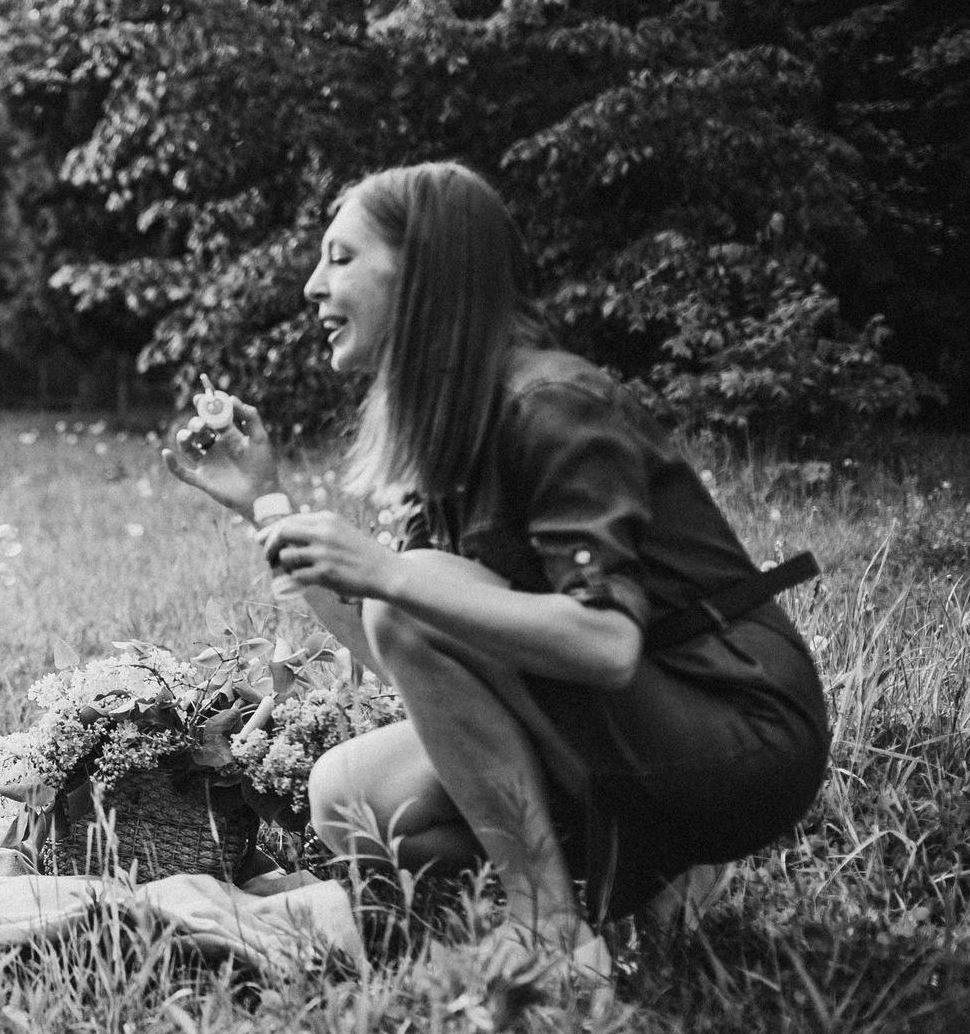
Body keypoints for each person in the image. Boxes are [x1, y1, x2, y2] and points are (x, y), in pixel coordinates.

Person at [166, 161, 829, 982]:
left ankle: (551, 930)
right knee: (347, 795)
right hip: (629, 727)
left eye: (340, 257)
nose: (312, 285)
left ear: (424, 269)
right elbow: (404, 655)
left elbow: (606, 643)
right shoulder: (449, 439)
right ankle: (649, 871)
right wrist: (267, 505)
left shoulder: (550, 402)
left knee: (409, 596)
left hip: (743, 734)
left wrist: (390, 575)